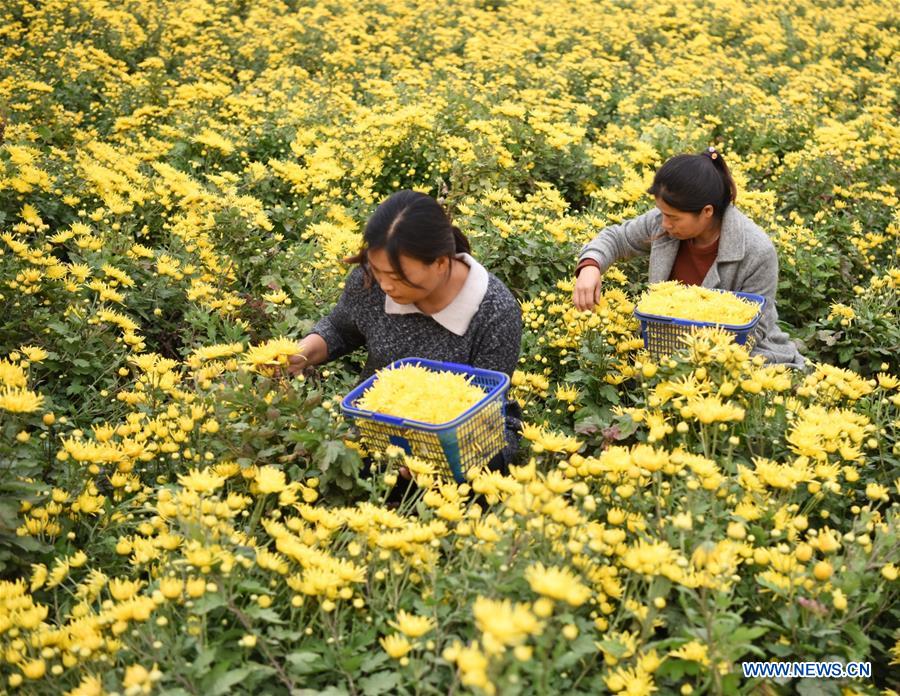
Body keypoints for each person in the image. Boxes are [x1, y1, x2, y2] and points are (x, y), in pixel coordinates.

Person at [288, 189, 523, 470]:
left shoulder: (495, 311)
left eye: (399, 277)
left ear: (440, 262)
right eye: (378, 271)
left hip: (458, 440)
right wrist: (300, 354)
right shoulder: (371, 280)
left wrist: (431, 455)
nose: (385, 285)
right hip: (372, 428)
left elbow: (483, 409)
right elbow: (339, 329)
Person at [573, 147, 805, 369]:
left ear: (706, 212)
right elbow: (616, 238)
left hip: (734, 352)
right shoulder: (663, 222)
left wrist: (688, 359)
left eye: (673, 217)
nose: (664, 224)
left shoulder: (756, 250)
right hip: (665, 343)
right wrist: (591, 266)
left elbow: (755, 328)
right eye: (662, 213)